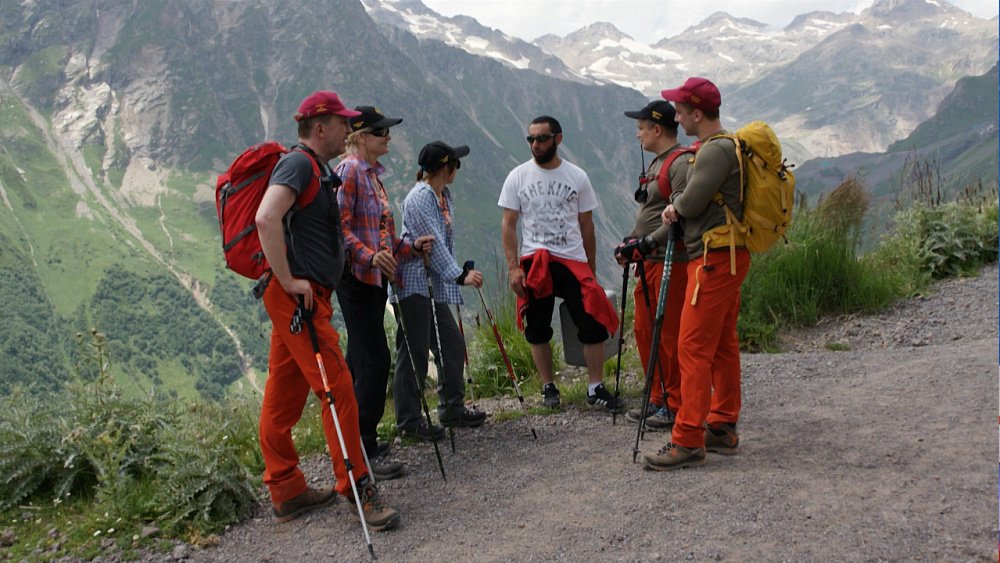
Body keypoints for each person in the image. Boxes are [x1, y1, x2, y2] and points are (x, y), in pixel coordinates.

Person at [255, 90, 397, 529]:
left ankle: (287, 489)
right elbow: (266, 217)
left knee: (284, 393)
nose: (348, 130)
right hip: (299, 298)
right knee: (338, 386)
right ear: (320, 127)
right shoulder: (299, 164)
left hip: (303, 296)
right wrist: (287, 279)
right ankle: (358, 488)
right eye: (342, 123)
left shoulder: (318, 168)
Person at [644, 77, 747, 471]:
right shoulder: (721, 146)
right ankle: (721, 425)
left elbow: (694, 198)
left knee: (691, 346)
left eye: (682, 110)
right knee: (721, 342)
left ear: (697, 113)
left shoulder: (714, 150)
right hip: (728, 255)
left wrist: (674, 207)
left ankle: (687, 439)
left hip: (714, 258)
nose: (678, 116)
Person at [335, 106, 438, 480]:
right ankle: (363, 449)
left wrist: (409, 248)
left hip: (372, 280)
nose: (388, 137)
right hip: (357, 279)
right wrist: (370, 257)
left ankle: (359, 441)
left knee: (360, 361)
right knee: (375, 362)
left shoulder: (372, 175)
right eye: (381, 132)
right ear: (361, 136)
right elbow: (339, 228)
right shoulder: (349, 172)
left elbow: (381, 236)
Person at [499, 115, 625, 413]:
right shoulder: (517, 176)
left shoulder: (577, 176)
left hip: (571, 259)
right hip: (535, 260)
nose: (535, 144)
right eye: (530, 139)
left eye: (541, 138)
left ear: (558, 139)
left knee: (592, 322)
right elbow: (508, 225)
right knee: (537, 327)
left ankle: (595, 388)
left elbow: (587, 225)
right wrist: (513, 267)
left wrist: (590, 267)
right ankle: (548, 387)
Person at [393, 141, 487, 431]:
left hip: (429, 285)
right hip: (412, 285)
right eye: (455, 164)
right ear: (445, 167)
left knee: (451, 344)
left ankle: (452, 408)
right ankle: (409, 421)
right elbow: (431, 241)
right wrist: (458, 275)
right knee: (415, 354)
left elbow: (444, 241)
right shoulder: (420, 197)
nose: (457, 168)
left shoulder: (442, 195)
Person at [617, 100, 692, 432]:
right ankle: (659, 396)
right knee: (646, 330)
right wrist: (631, 242)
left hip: (669, 262)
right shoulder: (660, 164)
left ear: (657, 129)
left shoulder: (679, 164)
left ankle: (674, 403)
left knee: (668, 334)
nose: (638, 135)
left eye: (641, 128)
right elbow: (650, 213)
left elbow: (683, 213)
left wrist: (648, 242)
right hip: (648, 262)